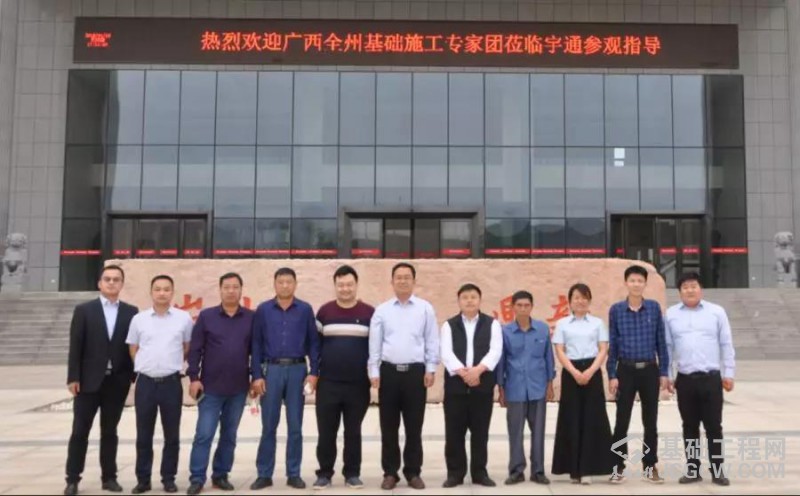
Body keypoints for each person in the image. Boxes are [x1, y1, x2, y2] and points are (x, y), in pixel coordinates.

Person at [64, 265, 139, 496]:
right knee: (80, 431)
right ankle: (72, 479)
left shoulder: (131, 312)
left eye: (116, 279)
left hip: (116, 382)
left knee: (110, 432)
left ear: (122, 284)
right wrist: (73, 377)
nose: (112, 283)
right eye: (107, 279)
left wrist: (131, 375)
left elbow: (134, 345)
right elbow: (75, 345)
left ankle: (109, 478)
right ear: (99, 283)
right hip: (88, 381)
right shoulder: (84, 310)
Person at [368, 262, 439, 490]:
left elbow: (431, 340)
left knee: (414, 426)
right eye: (398, 277)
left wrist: (430, 368)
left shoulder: (425, 309)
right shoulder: (382, 310)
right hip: (389, 372)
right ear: (392, 281)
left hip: (415, 374)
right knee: (388, 426)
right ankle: (390, 472)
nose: (402, 281)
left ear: (414, 281)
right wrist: (374, 371)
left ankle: (413, 472)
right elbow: (375, 344)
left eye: (407, 277)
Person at [250, 267, 321, 491]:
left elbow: (314, 343)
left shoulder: (305, 310)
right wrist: (256, 375)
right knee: (268, 425)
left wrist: (314, 372)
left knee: (295, 425)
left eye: (289, 282)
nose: (284, 286)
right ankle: (264, 474)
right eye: (280, 282)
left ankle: (294, 473)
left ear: (295, 284)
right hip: (271, 370)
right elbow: (256, 344)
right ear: (274, 284)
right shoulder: (263, 310)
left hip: (297, 370)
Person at [186, 273, 255, 495]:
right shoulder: (207, 317)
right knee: (204, 434)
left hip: (238, 388)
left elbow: (256, 351)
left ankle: (221, 475)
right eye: (227, 287)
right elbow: (195, 350)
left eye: (235, 287)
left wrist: (256, 378)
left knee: (229, 435)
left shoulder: (251, 318)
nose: (231, 291)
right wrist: (194, 378)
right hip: (210, 388)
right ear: (220, 289)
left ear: (241, 290)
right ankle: (197, 478)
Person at [665, 272, 735, 487]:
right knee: (689, 427)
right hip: (685, 380)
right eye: (685, 287)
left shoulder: (716, 312)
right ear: (680, 291)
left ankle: (718, 470)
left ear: (700, 289)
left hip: (711, 378)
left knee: (714, 426)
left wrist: (729, 373)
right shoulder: (671, 315)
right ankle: (693, 469)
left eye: (693, 286)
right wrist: (668, 375)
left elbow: (726, 343)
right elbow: (667, 347)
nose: (690, 290)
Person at [126, 275, 194, 494]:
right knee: (143, 435)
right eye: (157, 289)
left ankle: (168, 478)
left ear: (172, 292)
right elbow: (133, 348)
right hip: (146, 383)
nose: (162, 293)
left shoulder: (183, 318)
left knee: (171, 435)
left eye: (166, 289)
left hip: (171, 383)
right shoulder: (139, 319)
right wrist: (145, 365)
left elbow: (187, 347)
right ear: (151, 292)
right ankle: (143, 479)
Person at [312, 265, 375, 490]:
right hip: (328, 383)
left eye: (349, 284)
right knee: (326, 431)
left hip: (358, 384)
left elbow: (375, 347)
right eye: (341, 285)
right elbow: (315, 346)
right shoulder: (325, 312)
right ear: (335, 286)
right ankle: (324, 473)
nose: (345, 289)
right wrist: (314, 373)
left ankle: (352, 473)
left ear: (356, 285)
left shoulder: (369, 313)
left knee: (353, 431)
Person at [607, 265, 670, 484]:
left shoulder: (653, 308)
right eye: (632, 280)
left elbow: (661, 342)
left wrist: (664, 371)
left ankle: (650, 466)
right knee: (621, 421)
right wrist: (612, 374)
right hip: (625, 369)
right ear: (626, 283)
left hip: (649, 370)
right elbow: (613, 344)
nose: (636, 284)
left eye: (640, 281)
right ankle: (617, 466)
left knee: (650, 421)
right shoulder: (616, 310)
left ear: (645, 283)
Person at [551, 283, 615, 485]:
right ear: (570, 301)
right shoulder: (562, 323)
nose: (580, 301)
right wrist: (574, 372)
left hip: (592, 371)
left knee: (592, 419)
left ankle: (589, 469)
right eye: (576, 297)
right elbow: (560, 350)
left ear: (589, 300)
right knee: (571, 419)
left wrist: (590, 371)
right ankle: (573, 469)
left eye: (584, 297)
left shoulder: (597, 323)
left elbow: (603, 349)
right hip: (571, 372)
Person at [439, 283, 502, 488]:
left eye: (473, 297)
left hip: (482, 385)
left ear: (480, 300)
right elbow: (446, 352)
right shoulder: (449, 325)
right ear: (459, 301)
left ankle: (479, 473)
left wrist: (478, 370)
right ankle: (455, 473)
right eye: (465, 297)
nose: (469, 301)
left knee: (480, 432)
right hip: (456, 387)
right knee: (454, 432)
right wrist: (464, 373)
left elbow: (495, 351)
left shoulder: (492, 324)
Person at [496, 290, 555, 486]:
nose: (523, 309)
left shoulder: (542, 329)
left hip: (538, 387)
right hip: (514, 388)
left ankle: (538, 471)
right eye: (519, 305)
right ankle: (516, 470)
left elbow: (548, 358)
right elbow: (501, 361)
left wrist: (550, 383)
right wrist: (501, 387)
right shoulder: (505, 331)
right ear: (513, 307)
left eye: (526, 305)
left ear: (532, 307)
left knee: (538, 432)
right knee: (515, 432)